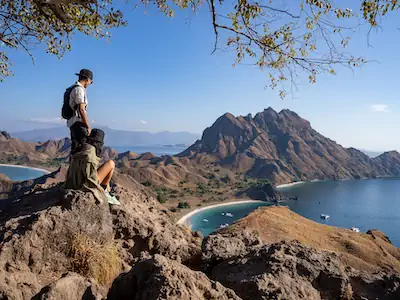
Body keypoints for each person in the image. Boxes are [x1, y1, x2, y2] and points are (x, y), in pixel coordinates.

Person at [64, 129, 119, 204]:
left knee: (104, 171)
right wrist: (99, 188)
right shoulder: (90, 152)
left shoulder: (82, 147)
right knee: (111, 164)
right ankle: (105, 193)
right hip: (82, 185)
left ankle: (107, 191)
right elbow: (90, 177)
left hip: (72, 182)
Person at [67, 69, 93, 154]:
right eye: (91, 82)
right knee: (81, 150)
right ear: (87, 79)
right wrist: (88, 126)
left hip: (72, 122)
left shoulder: (73, 87)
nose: (90, 84)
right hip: (77, 123)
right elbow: (81, 109)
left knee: (75, 149)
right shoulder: (79, 89)